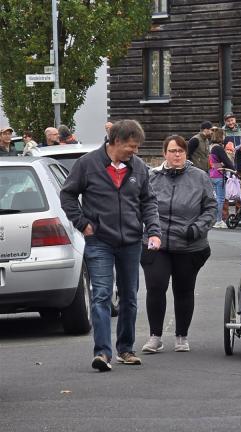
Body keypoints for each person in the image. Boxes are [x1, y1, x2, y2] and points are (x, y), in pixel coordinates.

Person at [60, 119, 161, 372]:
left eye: (137, 147)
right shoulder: (87, 164)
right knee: (101, 295)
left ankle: (125, 350)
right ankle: (102, 354)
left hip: (130, 242)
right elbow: (68, 194)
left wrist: (154, 231)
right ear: (115, 141)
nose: (134, 152)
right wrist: (83, 224)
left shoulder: (138, 168)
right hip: (99, 241)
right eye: (131, 146)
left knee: (129, 297)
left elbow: (148, 201)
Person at [140, 135, 216, 354]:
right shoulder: (151, 177)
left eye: (180, 151)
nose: (177, 155)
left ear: (186, 153)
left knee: (184, 289)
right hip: (157, 243)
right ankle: (155, 337)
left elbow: (211, 207)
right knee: (156, 286)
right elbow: (141, 205)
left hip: (189, 243)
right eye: (172, 151)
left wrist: (197, 228)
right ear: (164, 153)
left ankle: (181, 335)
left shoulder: (199, 177)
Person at [208, 128, 236, 229]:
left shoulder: (210, 147)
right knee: (220, 199)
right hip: (219, 175)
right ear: (220, 136)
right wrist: (234, 170)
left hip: (212, 174)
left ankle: (215, 219)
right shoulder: (218, 148)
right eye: (223, 136)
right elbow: (227, 161)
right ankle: (218, 220)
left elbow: (214, 163)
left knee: (215, 199)